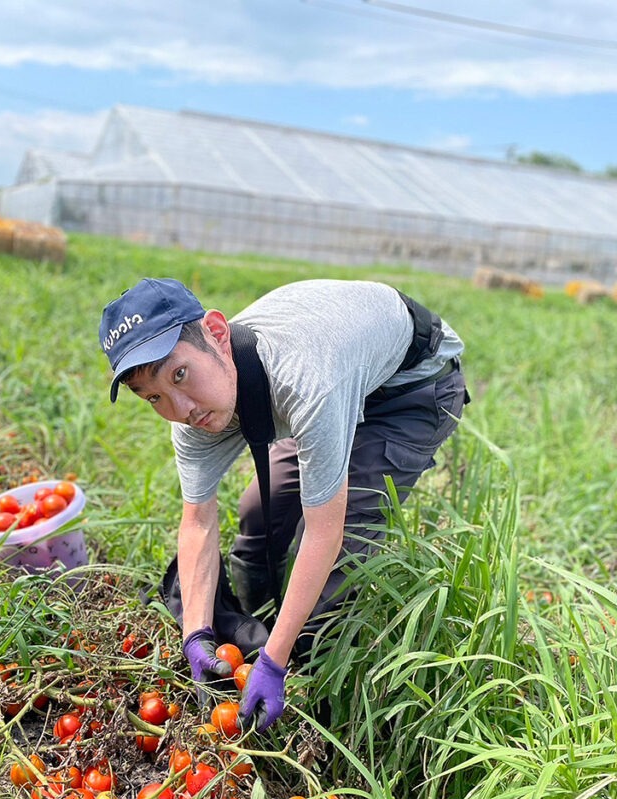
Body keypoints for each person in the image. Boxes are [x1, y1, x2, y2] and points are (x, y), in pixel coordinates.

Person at [99, 277, 468, 731]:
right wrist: (195, 633)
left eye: (180, 374)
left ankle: (315, 679)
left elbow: (323, 533)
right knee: (259, 514)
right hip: (333, 377)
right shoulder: (196, 407)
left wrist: (273, 663)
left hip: (410, 389)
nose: (181, 409)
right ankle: (261, 627)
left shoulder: (305, 379)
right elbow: (197, 523)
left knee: (345, 541)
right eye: (154, 397)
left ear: (216, 333)